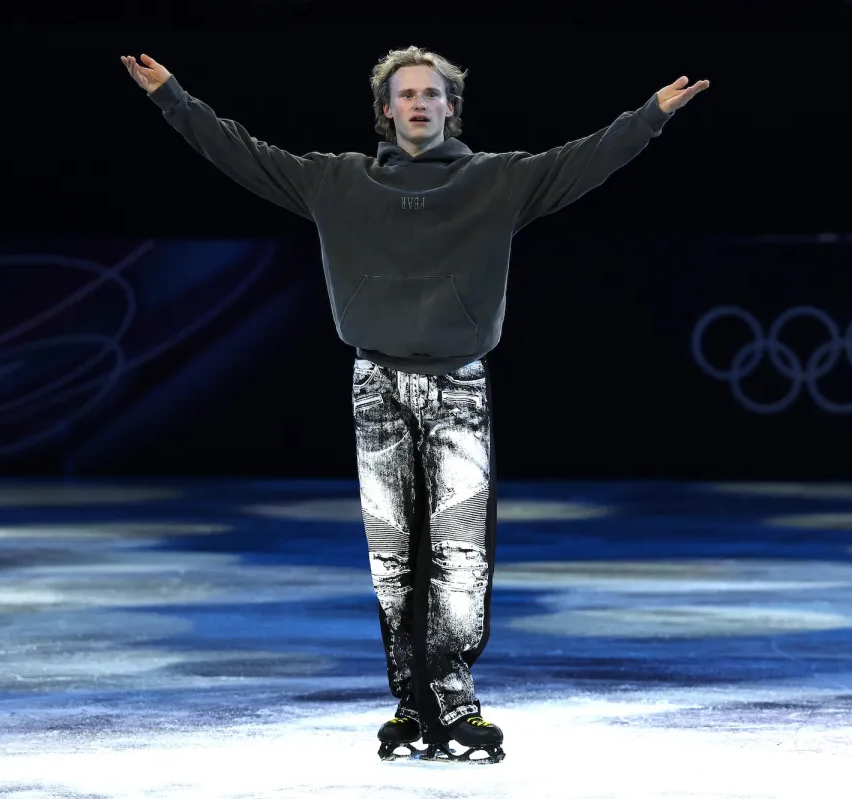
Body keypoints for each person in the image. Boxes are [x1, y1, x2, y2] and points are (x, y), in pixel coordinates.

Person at [121, 46, 708, 762]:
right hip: (375, 383)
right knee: (394, 558)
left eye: (433, 93)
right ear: (386, 109)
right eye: (407, 94)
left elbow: (584, 160)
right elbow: (241, 154)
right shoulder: (336, 180)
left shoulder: (497, 179)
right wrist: (173, 98)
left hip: (459, 382)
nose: (420, 103)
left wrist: (649, 116)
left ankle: (454, 702)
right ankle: (411, 702)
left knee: (460, 554)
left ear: (451, 108)